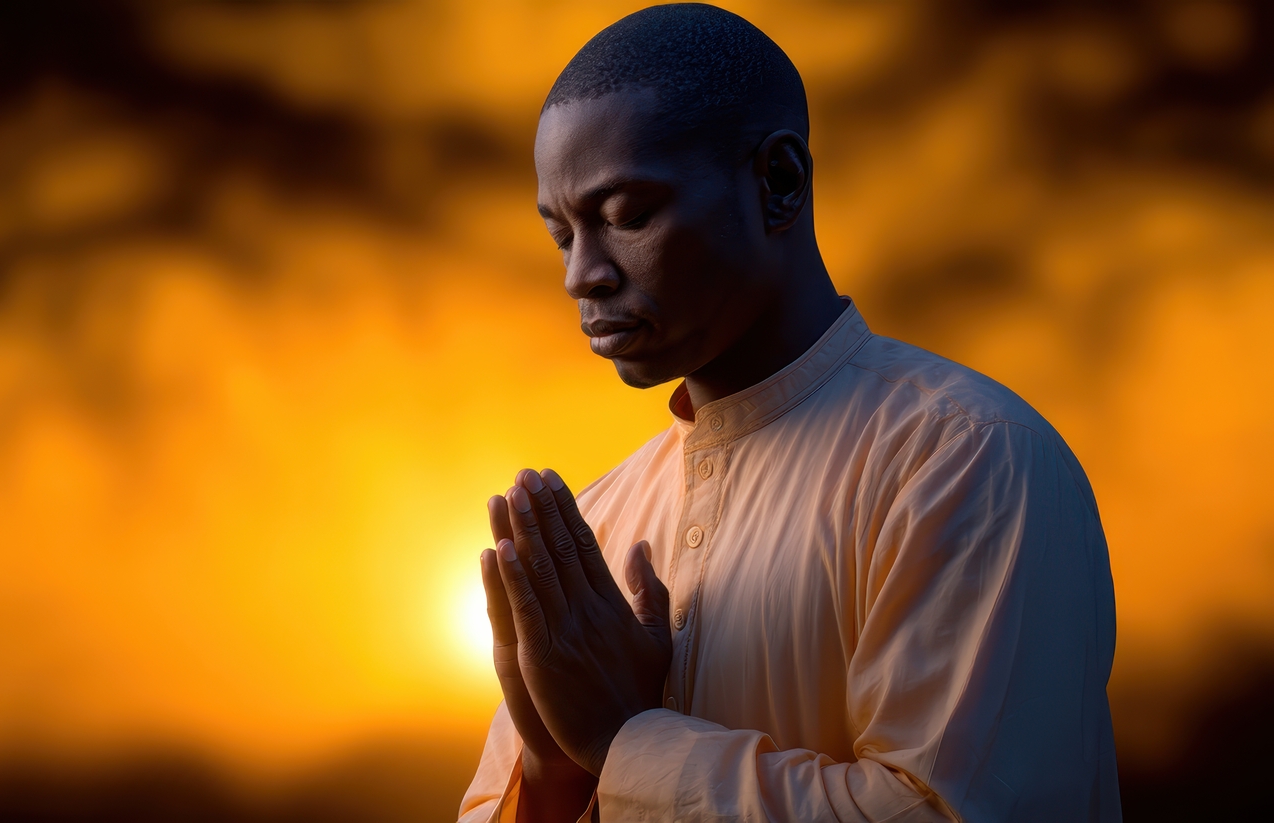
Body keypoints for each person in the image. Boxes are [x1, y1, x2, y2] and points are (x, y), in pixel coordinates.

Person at [459, 5, 1120, 822]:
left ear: (779, 182)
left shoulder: (970, 458)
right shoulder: (593, 524)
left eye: (627, 215)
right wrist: (552, 764)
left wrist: (625, 741)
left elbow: (948, 811)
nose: (583, 276)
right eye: (563, 234)